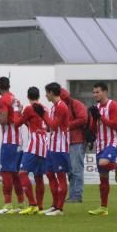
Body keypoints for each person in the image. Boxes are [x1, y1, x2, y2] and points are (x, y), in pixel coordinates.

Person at [0, 76, 26, 214]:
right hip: (19, 141)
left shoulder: (3, 99)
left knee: (6, 172)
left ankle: (8, 203)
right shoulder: (15, 98)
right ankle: (21, 203)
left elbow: (3, 120)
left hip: (9, 141)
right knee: (15, 173)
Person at [88, 82, 117, 216]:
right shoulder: (95, 107)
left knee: (103, 163)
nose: (95, 94)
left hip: (112, 142)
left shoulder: (112, 105)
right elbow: (93, 127)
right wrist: (90, 137)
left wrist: (100, 117)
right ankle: (103, 208)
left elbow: (115, 125)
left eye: (98, 92)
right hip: (100, 144)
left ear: (105, 92)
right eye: (94, 92)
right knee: (103, 178)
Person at [16, 87, 49, 215]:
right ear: (39, 96)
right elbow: (32, 124)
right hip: (44, 145)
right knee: (39, 176)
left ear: (28, 96)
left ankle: (32, 204)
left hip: (34, 145)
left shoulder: (29, 108)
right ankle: (40, 207)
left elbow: (17, 123)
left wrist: (17, 112)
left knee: (22, 173)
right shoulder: (44, 108)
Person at [41, 82, 71, 216]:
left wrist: (43, 115)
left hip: (60, 147)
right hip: (51, 145)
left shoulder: (61, 106)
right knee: (49, 173)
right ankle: (54, 205)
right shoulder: (53, 107)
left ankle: (60, 208)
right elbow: (50, 127)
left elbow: (53, 125)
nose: (45, 95)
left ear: (51, 93)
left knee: (61, 177)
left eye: (46, 92)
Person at [60, 87, 89, 203]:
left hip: (77, 141)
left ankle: (76, 195)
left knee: (76, 170)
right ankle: (73, 195)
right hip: (68, 141)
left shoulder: (75, 104)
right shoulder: (69, 104)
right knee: (71, 170)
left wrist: (67, 125)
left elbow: (83, 119)